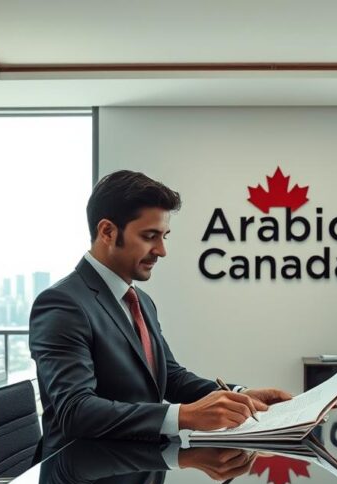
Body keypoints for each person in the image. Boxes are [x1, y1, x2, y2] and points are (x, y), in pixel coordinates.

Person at [30, 170, 292, 457]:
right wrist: (183, 416)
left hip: (139, 470)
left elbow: (171, 377)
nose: (162, 250)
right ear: (107, 232)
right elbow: (76, 411)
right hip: (85, 479)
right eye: (150, 236)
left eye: (164, 236)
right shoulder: (62, 304)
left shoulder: (140, 300)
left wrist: (239, 396)